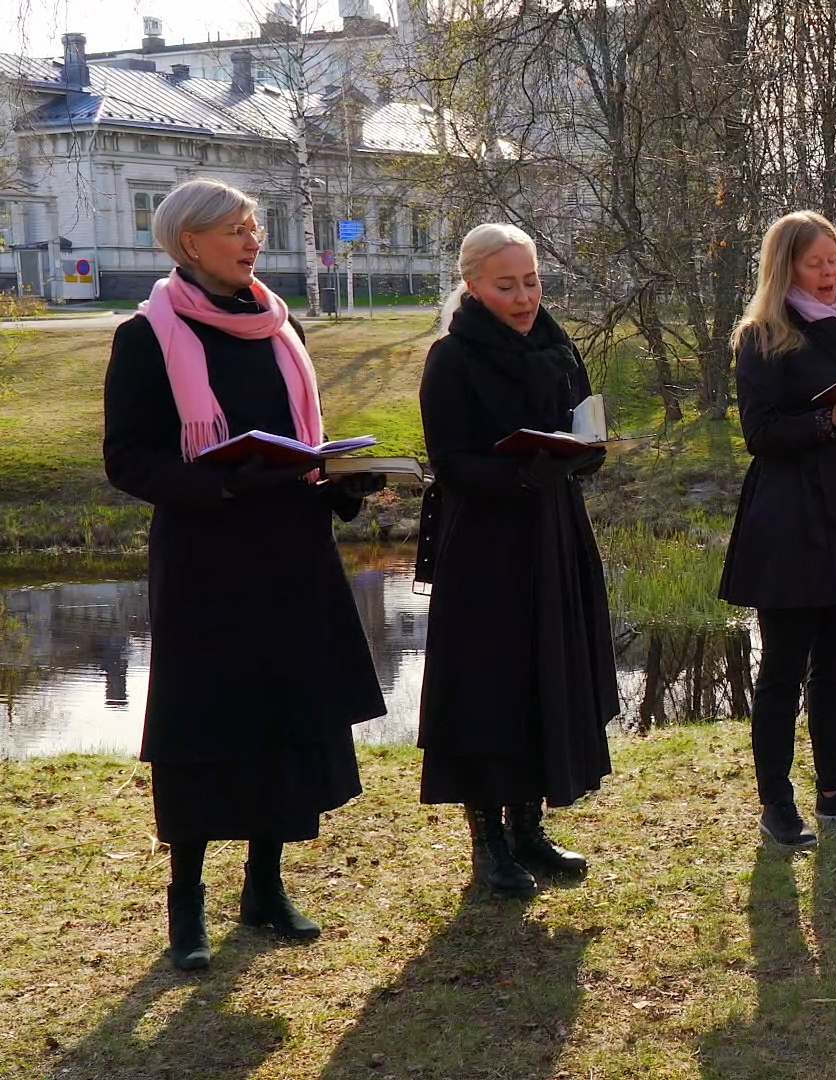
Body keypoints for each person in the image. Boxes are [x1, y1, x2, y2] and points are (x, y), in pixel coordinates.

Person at [102, 178, 387, 971]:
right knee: (205, 727)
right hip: (208, 560)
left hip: (292, 552)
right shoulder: (145, 336)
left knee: (286, 717)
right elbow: (128, 458)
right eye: (237, 229)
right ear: (189, 243)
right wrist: (221, 482)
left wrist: (340, 485)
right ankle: (186, 912)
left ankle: (265, 886)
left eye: (255, 226)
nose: (253, 239)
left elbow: (301, 445)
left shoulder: (277, 325)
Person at [416, 223, 616, 896]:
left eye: (531, 281)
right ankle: (489, 845)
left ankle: (529, 829)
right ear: (472, 285)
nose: (525, 296)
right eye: (507, 286)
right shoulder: (452, 357)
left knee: (545, 676)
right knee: (488, 688)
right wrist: (522, 475)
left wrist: (584, 454)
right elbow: (450, 464)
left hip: (554, 533)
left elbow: (587, 430)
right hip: (485, 548)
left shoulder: (557, 347)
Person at [717, 211, 836, 849]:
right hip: (792, 518)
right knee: (781, 668)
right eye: (814, 264)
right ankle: (777, 799)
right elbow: (760, 435)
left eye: (834, 261)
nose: (829, 274)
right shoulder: (762, 338)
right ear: (786, 269)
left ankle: (835, 791)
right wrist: (833, 419)